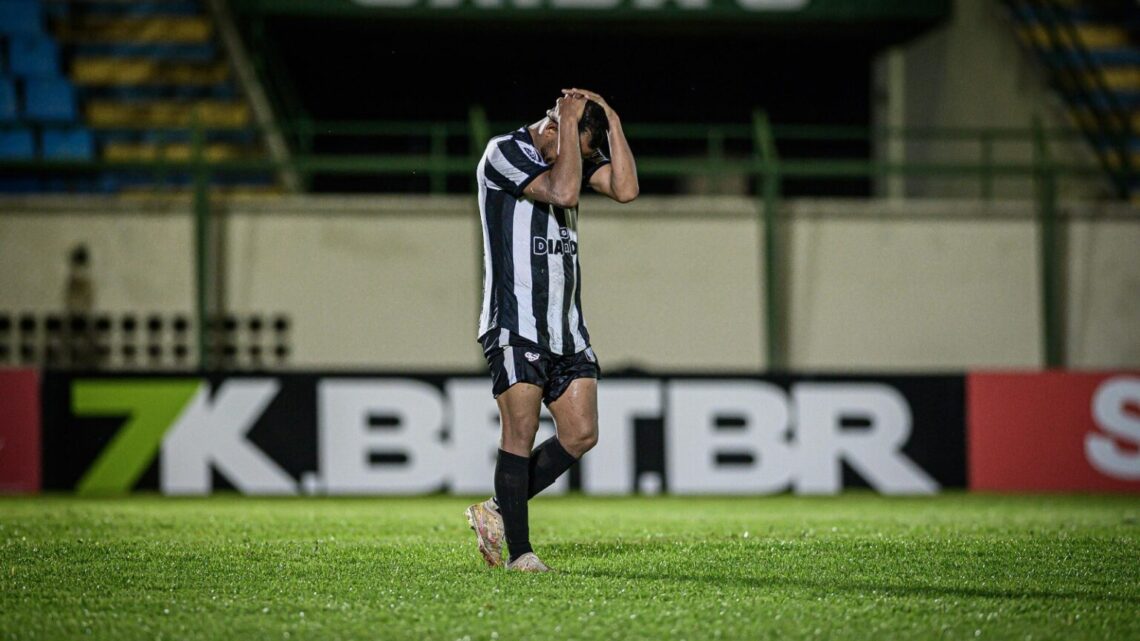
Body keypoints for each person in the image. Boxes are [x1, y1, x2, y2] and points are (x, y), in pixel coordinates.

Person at [465, 88, 639, 572]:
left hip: (566, 328)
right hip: (515, 323)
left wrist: (615, 120)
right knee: (519, 432)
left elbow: (626, 189)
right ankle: (521, 553)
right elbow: (562, 191)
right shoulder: (503, 152)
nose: (588, 162)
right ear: (560, 127)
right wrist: (567, 123)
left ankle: (498, 509)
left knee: (581, 434)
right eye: (586, 150)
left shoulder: (572, 155)